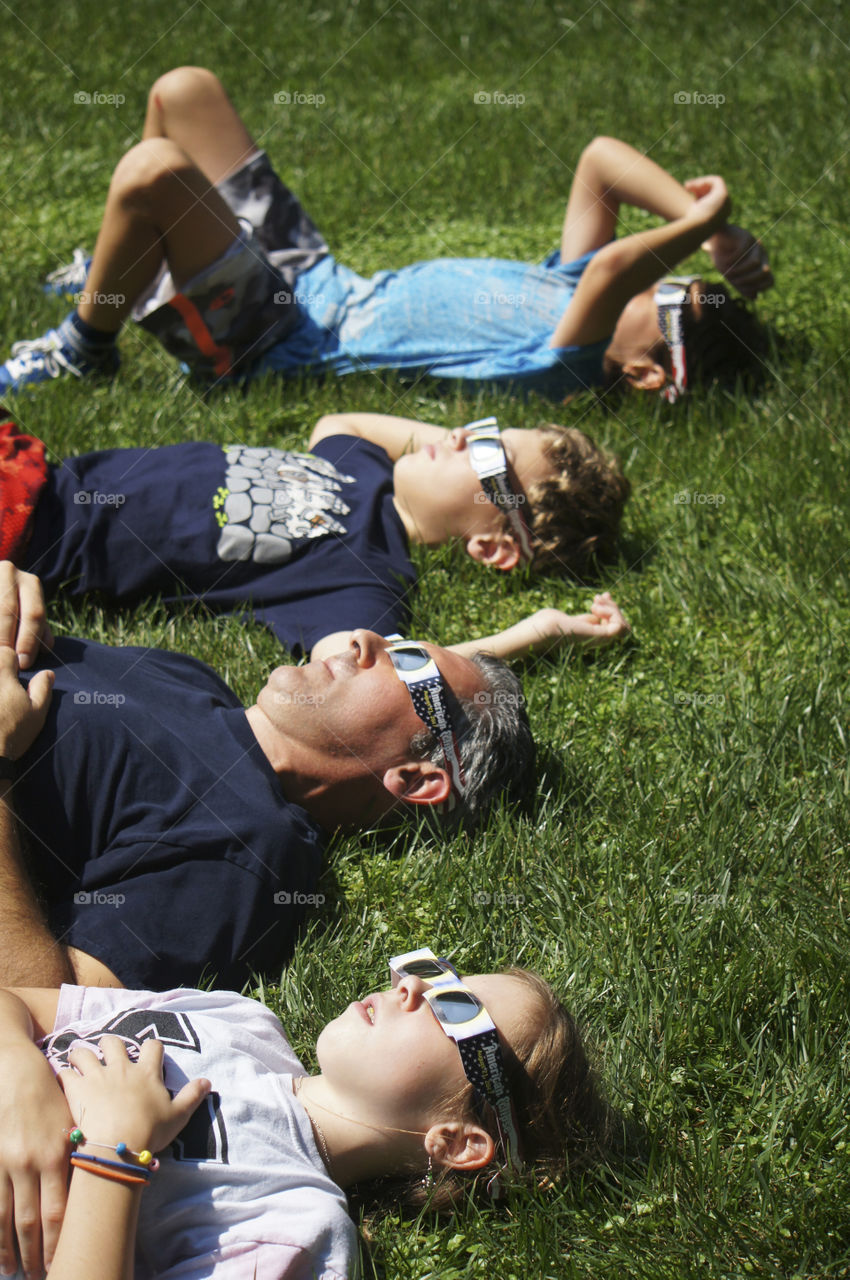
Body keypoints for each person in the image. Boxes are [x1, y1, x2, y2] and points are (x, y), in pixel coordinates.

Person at [0, 67, 773, 401]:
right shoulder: (572, 284)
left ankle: (83, 350)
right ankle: (132, 262)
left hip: (277, 337)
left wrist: (701, 218)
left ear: (646, 373)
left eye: (665, 298)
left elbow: (614, 273)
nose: (653, 278)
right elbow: (601, 163)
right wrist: (716, 235)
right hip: (320, 276)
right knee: (182, 92)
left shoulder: (564, 367)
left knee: (151, 170)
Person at [0, 561, 534, 993]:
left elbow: (51, 1004)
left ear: (417, 780)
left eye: (413, 667)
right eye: (400, 641)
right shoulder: (190, 677)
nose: (367, 639)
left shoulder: (250, 852)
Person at [0, 947, 607, 1279]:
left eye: (454, 1009)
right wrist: (20, 1076)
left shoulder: (299, 1229)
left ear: (456, 1143)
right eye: (434, 971)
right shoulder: (238, 1020)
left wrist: (115, 1152)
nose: (409, 986)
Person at [2, 403, 630, 663]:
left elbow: (382, 674)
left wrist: (535, 634)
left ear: (491, 546)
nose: (465, 434)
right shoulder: (361, 468)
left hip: (32, 532)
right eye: (487, 428)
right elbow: (340, 419)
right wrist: (448, 445)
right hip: (32, 464)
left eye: (490, 458)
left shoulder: (364, 575)